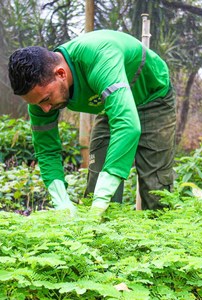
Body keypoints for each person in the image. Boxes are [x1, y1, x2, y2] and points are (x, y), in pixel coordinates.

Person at [8, 29, 176, 216]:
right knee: (96, 186)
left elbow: (128, 126)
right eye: (37, 103)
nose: (45, 109)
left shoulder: (99, 57)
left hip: (153, 98)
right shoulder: (40, 99)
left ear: (61, 73)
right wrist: (61, 201)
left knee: (156, 190)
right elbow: (46, 150)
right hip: (111, 105)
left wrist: (102, 196)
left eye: (46, 99)